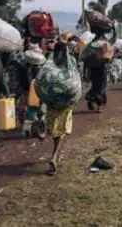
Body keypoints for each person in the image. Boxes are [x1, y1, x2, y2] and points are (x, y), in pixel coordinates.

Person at [45, 42, 76, 176]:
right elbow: (76, 79)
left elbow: (44, 80)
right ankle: (54, 155)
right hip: (66, 99)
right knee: (62, 127)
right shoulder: (71, 61)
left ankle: (55, 154)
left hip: (52, 99)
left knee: (55, 126)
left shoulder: (50, 62)